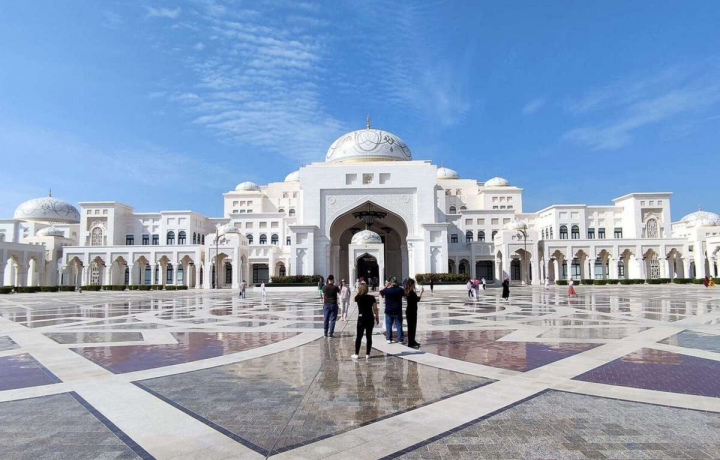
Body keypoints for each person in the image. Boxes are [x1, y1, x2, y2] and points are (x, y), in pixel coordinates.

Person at [352, 282, 379, 360]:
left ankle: (356, 354)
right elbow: (375, 308)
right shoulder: (372, 297)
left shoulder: (358, 297)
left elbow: (354, 299)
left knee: (359, 336)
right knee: (369, 336)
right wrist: (377, 317)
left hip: (361, 317)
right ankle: (368, 354)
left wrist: (358, 292)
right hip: (370, 317)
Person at [380, 277, 404, 343]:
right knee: (399, 325)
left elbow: (380, 292)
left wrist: (386, 286)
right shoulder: (400, 290)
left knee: (389, 325)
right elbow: (404, 293)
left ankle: (389, 338)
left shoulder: (387, 290)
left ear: (390, 283)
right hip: (397, 310)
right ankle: (400, 339)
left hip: (389, 310)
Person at [404, 278, 423, 348]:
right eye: (413, 284)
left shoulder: (408, 291)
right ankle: (411, 342)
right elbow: (417, 299)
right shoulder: (411, 292)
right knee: (412, 327)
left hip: (410, 311)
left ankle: (412, 341)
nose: (414, 285)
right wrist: (421, 292)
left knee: (411, 327)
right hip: (411, 311)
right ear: (411, 285)